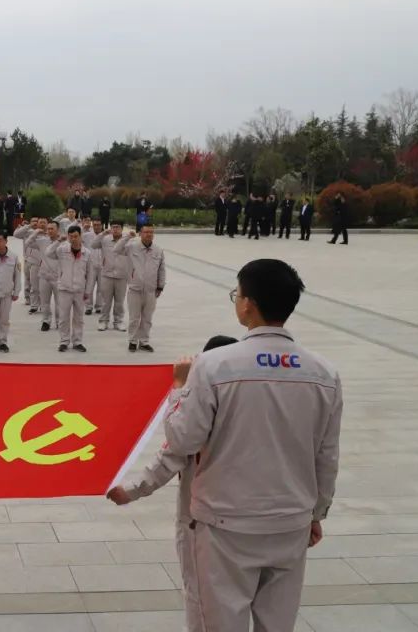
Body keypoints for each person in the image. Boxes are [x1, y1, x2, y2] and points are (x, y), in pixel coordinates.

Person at [161, 259, 342, 632]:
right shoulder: (324, 372)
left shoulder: (213, 365)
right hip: (290, 521)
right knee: (277, 623)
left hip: (226, 524)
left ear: (249, 304)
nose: (237, 301)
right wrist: (316, 514)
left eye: (238, 294)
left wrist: (177, 391)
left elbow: (183, 438)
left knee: (221, 622)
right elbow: (327, 455)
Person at [106, 334, 239, 632]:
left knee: (200, 596)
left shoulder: (201, 407)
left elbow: (175, 450)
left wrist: (180, 388)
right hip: (252, 521)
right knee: (240, 598)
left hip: (201, 520)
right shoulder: (254, 407)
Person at [116, 226, 166, 352]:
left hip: (151, 290)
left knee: (147, 318)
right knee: (134, 318)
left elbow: (162, 269)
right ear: (140, 234)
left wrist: (160, 285)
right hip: (135, 289)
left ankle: (144, 341)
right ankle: (132, 341)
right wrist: (127, 237)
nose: (149, 234)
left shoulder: (158, 250)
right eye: (146, 232)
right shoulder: (132, 247)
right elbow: (116, 249)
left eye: (151, 232)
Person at [49, 225, 96, 353]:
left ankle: (77, 341)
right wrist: (58, 241)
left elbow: (90, 274)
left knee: (78, 318)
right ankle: (64, 341)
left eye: (76, 236)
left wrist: (88, 291)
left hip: (80, 290)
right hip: (64, 289)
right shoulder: (62, 249)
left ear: (80, 236)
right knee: (64, 317)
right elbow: (48, 253)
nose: (73, 239)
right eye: (71, 237)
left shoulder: (87, 253)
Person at [27, 220, 61, 331]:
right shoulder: (42, 241)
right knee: (45, 301)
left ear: (58, 230)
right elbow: (28, 243)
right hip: (44, 275)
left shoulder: (63, 242)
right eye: (48, 229)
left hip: (58, 277)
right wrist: (36, 232)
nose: (50, 231)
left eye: (52, 229)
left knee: (59, 302)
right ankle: (46, 321)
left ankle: (59, 321)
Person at [95, 222, 129, 332]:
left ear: (122, 229)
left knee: (119, 301)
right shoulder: (105, 239)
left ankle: (118, 321)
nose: (115, 229)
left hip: (122, 275)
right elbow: (93, 245)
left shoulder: (128, 241)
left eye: (117, 227)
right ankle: (103, 321)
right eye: (113, 227)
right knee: (106, 301)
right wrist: (102, 234)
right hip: (107, 274)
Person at [12, 216, 42, 310]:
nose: (35, 223)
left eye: (37, 221)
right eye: (33, 221)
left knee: (38, 281)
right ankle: (28, 298)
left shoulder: (42, 232)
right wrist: (27, 226)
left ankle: (39, 300)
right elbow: (15, 234)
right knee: (28, 279)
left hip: (40, 260)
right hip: (27, 259)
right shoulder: (26, 231)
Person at [81, 219, 104, 315]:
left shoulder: (106, 236)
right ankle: (88, 306)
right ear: (92, 226)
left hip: (103, 265)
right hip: (91, 265)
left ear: (102, 225)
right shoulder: (86, 235)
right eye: (95, 225)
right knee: (89, 286)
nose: (97, 227)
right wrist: (83, 229)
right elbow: (76, 238)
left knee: (101, 287)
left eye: (98, 225)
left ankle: (99, 306)